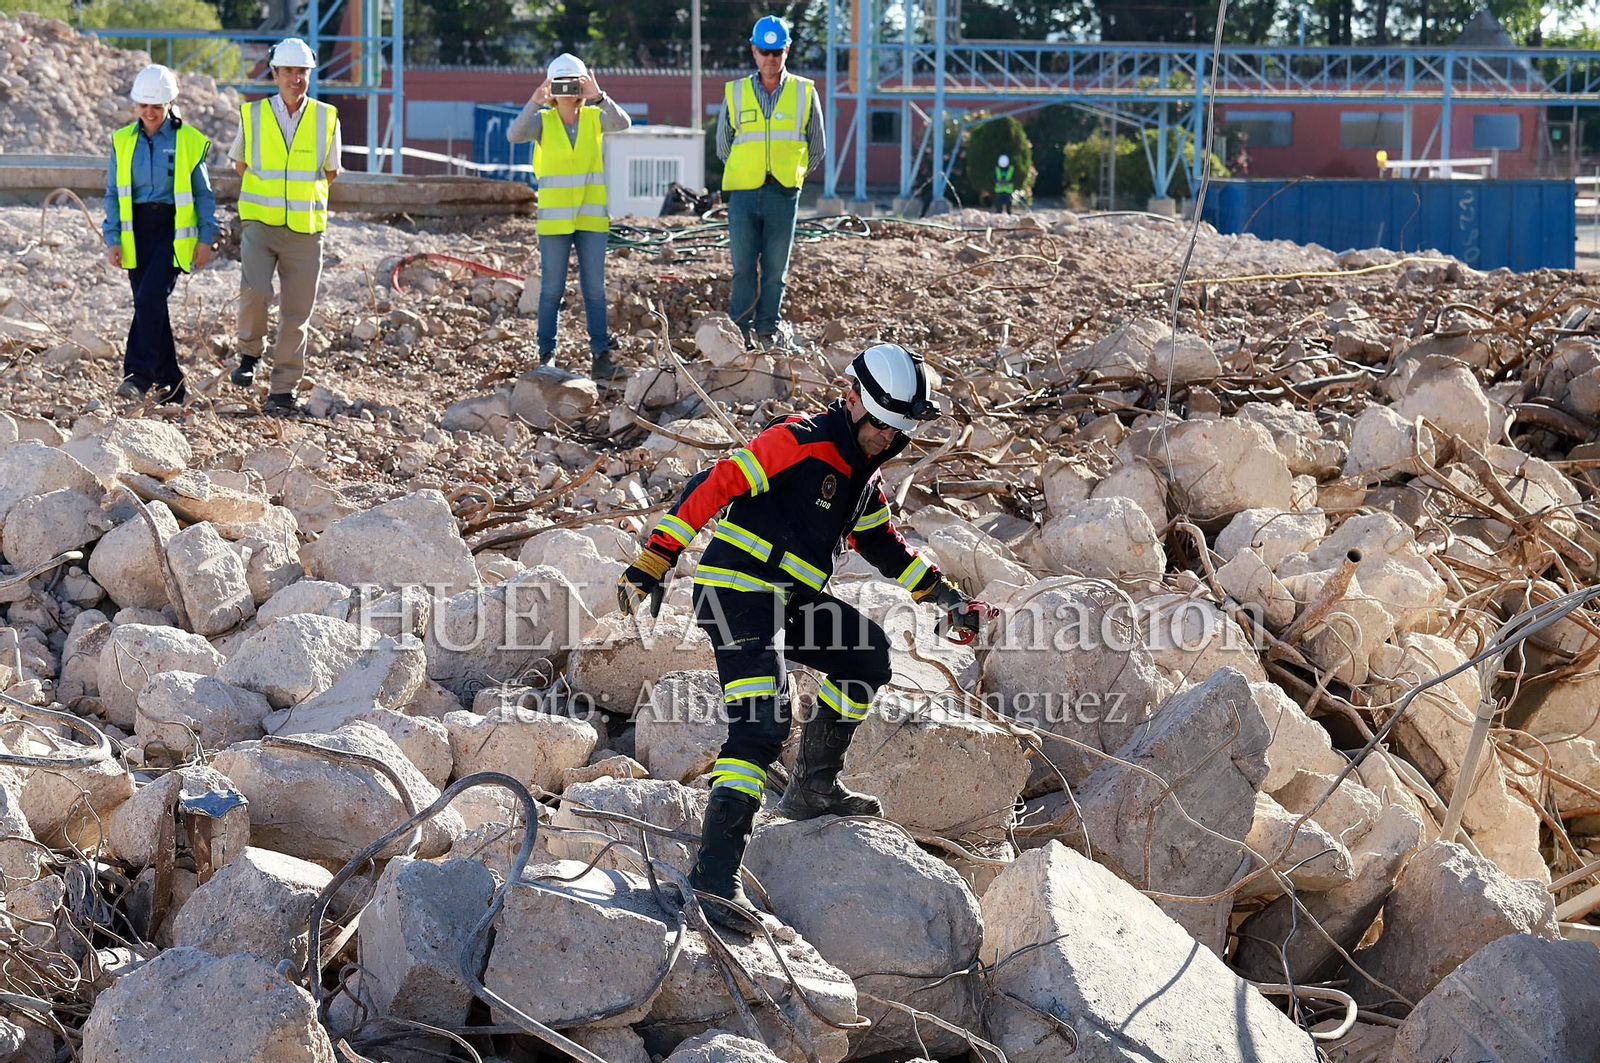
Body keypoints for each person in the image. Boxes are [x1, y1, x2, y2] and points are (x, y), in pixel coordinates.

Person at [617, 343, 995, 929]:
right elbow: (715, 484)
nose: (887, 442)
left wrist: (946, 598)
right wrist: (654, 559)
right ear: (854, 402)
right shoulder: (798, 440)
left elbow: (884, 547)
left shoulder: (865, 478)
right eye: (880, 429)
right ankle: (713, 882)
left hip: (789, 598)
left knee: (867, 657)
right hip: (734, 592)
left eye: (898, 435)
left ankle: (814, 787)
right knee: (762, 723)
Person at [227, 37, 341, 415]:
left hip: (306, 231)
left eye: (302, 72)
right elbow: (239, 163)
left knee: (297, 313)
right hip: (261, 223)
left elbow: (331, 171)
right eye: (289, 72)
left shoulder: (327, 117)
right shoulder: (253, 114)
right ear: (274, 74)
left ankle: (283, 390)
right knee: (256, 291)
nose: (296, 78)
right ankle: (249, 355)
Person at [507, 52, 631, 381]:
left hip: (590, 219)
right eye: (560, 84)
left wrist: (600, 96)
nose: (567, 90)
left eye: (573, 83)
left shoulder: (594, 117)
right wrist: (534, 102)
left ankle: (601, 356)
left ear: (582, 84)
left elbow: (623, 123)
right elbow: (513, 134)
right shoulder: (542, 123)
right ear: (552, 86)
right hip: (555, 221)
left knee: (595, 290)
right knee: (551, 290)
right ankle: (546, 355)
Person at [103, 64, 218, 404]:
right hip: (135, 232)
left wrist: (206, 237)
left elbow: (204, 194)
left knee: (149, 299)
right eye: (144, 106)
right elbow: (112, 192)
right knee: (152, 306)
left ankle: (137, 375)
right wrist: (112, 238)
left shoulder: (188, 141)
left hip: (172, 230)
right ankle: (172, 384)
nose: (150, 113)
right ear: (136, 106)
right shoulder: (122, 141)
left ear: (170, 104)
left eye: (157, 106)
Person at [717, 16, 825, 352]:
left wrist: (791, 174)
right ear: (754, 50)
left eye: (777, 51)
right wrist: (746, 170)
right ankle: (739, 332)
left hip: (782, 193)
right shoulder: (735, 92)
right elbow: (722, 145)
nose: (771, 58)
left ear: (787, 50)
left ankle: (766, 331)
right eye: (764, 51)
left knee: (776, 271)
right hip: (744, 195)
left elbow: (817, 146)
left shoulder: (804, 91)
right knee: (743, 270)